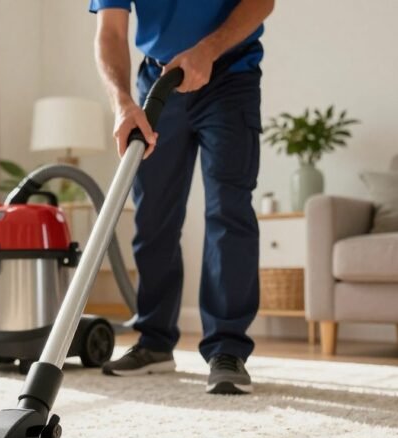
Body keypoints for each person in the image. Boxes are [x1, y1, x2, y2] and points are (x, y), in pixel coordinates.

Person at [92, 0, 274, 394]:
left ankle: (227, 348)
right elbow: (110, 32)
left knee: (228, 210)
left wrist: (207, 50)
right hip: (156, 82)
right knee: (153, 216)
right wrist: (122, 103)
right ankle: (155, 341)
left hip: (229, 74)